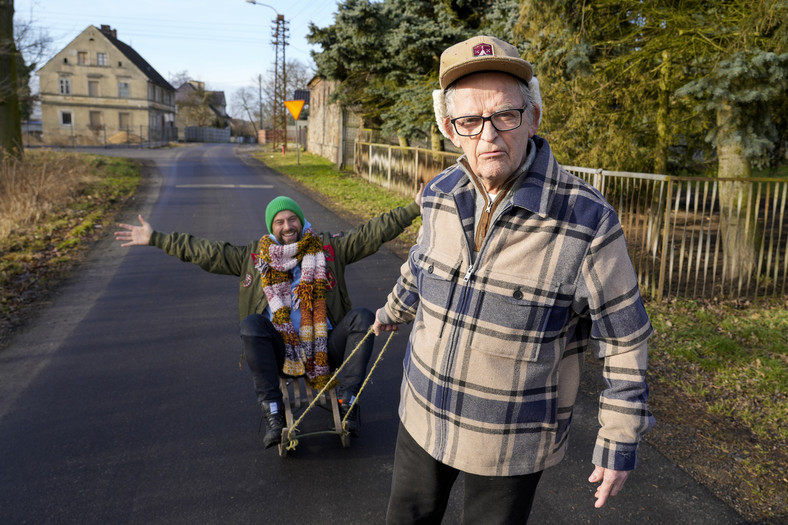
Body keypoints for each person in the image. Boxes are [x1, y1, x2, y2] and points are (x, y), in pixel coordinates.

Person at [373, 35, 655, 523]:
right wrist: (392, 310)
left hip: (509, 441)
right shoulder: (439, 193)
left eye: (505, 115)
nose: (489, 136)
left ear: (533, 117)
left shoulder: (586, 220)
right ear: (449, 127)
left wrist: (618, 437)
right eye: (470, 121)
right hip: (422, 414)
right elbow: (420, 266)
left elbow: (625, 339)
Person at [115, 193, 421, 449]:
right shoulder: (253, 257)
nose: (287, 226)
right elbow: (205, 252)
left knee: (363, 318)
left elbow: (371, 233)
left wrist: (414, 208)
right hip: (280, 353)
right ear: (272, 228)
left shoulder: (329, 248)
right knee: (251, 324)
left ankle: (349, 401)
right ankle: (273, 410)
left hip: (327, 348)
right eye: (280, 221)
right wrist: (155, 238)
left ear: (301, 221)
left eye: (292, 219)